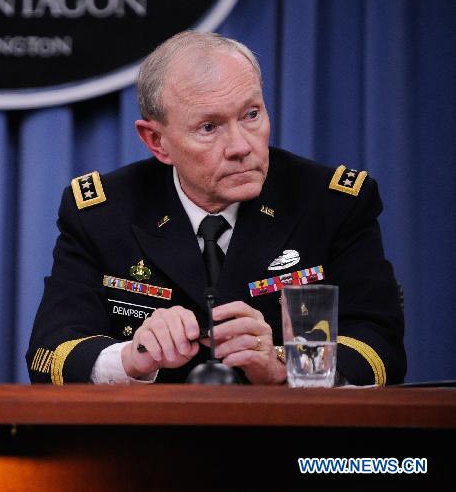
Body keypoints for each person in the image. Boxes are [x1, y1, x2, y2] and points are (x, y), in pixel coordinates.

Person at [26, 31, 405, 386]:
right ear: (157, 141)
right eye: (209, 127)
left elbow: (382, 351)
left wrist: (286, 364)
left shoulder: (331, 205)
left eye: (251, 115)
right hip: (150, 443)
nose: (241, 146)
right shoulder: (102, 214)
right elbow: (49, 354)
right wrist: (132, 358)